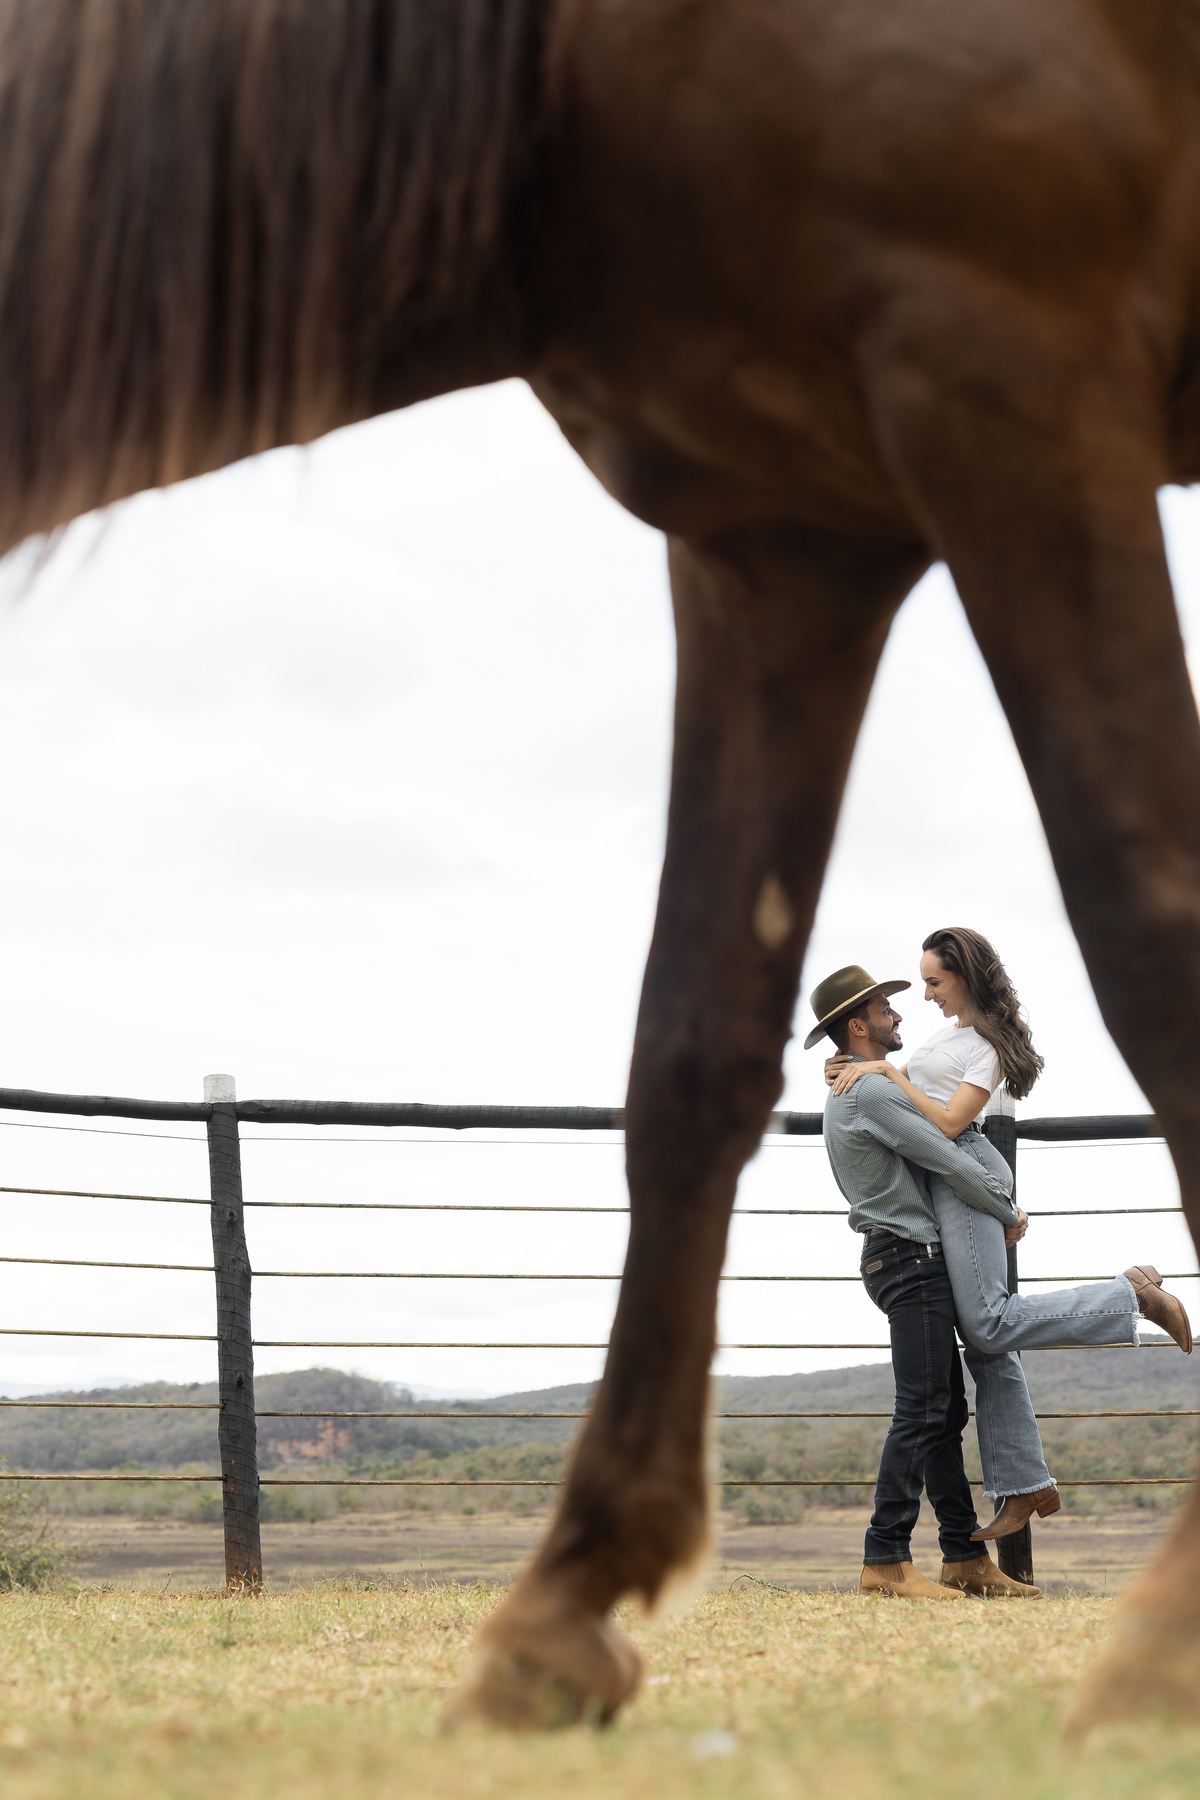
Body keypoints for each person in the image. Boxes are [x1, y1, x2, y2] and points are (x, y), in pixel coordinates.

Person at [826, 928, 1192, 1537]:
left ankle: (1131, 1296)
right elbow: (896, 1095)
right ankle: (1024, 1484)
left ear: (964, 976)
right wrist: (858, 1066)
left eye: (934, 982)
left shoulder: (988, 1045)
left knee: (989, 1324)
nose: (925, 995)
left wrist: (886, 1073)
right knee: (986, 1340)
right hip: (947, 1179)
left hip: (964, 1168)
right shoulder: (944, 1037)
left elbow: (947, 1126)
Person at [810, 963, 1037, 1600]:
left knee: (943, 1410)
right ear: (859, 1026)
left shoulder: (866, 1083)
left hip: (902, 1258)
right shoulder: (870, 1094)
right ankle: (885, 1557)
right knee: (925, 1408)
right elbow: (947, 1155)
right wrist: (1006, 1211)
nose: (898, 1014)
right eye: (885, 1009)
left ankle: (963, 1557)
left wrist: (884, 1071)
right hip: (909, 1258)